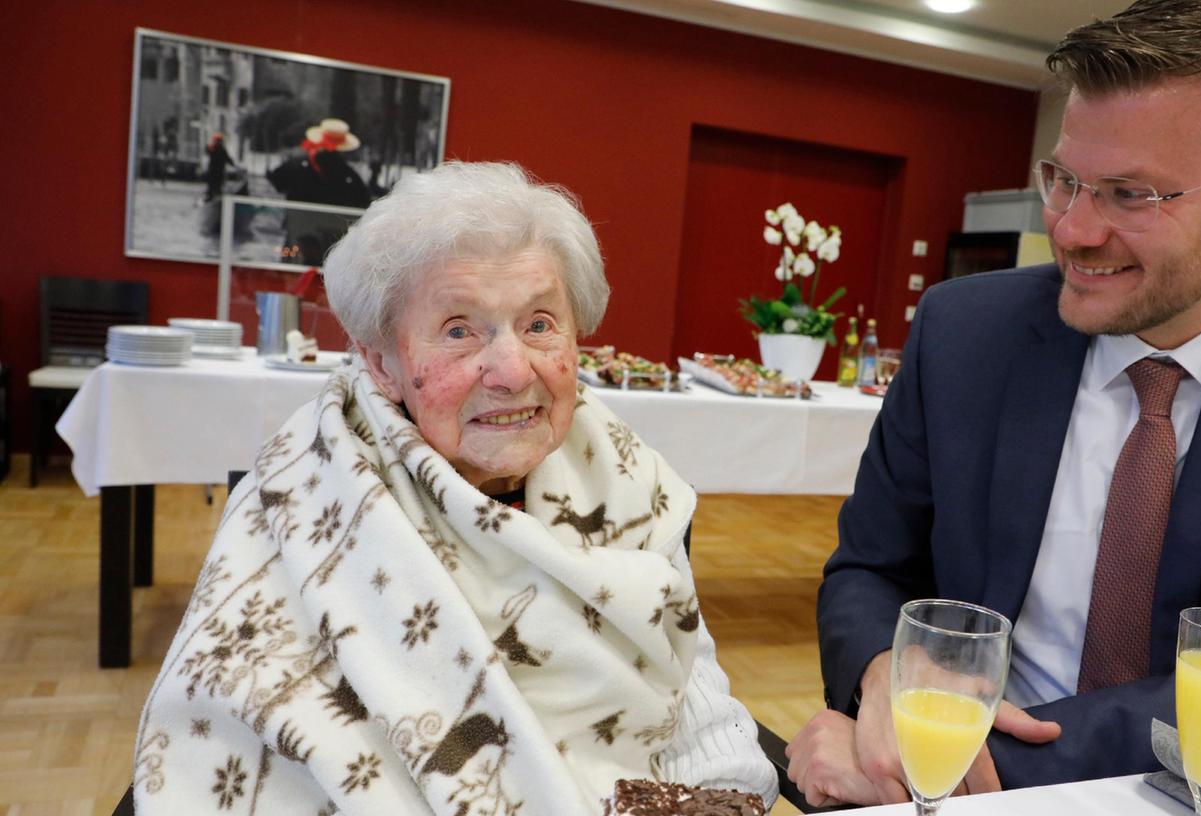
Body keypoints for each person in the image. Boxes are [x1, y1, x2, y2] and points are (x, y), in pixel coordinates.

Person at [787, 0, 1201, 807]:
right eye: (1062, 179)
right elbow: (868, 568)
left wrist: (963, 761)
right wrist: (878, 671)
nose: (1071, 230)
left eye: (1130, 195)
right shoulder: (965, 331)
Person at [135, 161, 778, 814]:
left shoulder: (621, 474)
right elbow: (250, 742)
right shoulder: (307, 495)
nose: (510, 370)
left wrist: (724, 797)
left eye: (538, 324)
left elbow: (689, 682)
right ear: (381, 362)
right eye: (459, 330)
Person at [267, 117, 373, 264]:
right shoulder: (350, 176)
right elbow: (362, 204)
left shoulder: (296, 166)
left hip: (297, 238)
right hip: (333, 246)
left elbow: (276, 181)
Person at [203, 132, 236, 203]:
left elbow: (227, 159)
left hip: (218, 172)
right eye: (216, 140)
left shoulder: (221, 150)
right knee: (212, 185)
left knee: (217, 185)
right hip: (214, 171)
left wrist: (234, 165)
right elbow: (207, 151)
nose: (217, 142)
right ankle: (211, 197)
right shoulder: (213, 148)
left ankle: (215, 198)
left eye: (218, 140)